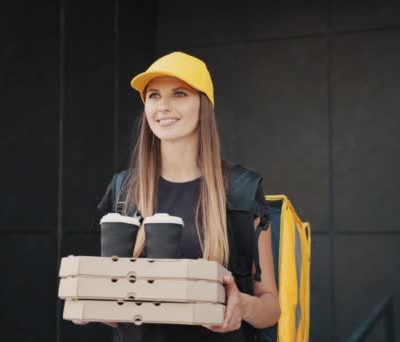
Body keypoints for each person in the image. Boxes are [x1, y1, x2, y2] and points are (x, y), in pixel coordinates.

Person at [87, 51, 280, 342]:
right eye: (153, 96)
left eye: (179, 94)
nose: (162, 106)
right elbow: (116, 310)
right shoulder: (124, 189)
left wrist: (243, 306)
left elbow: (270, 307)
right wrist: (94, 303)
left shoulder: (241, 190)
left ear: (204, 106)